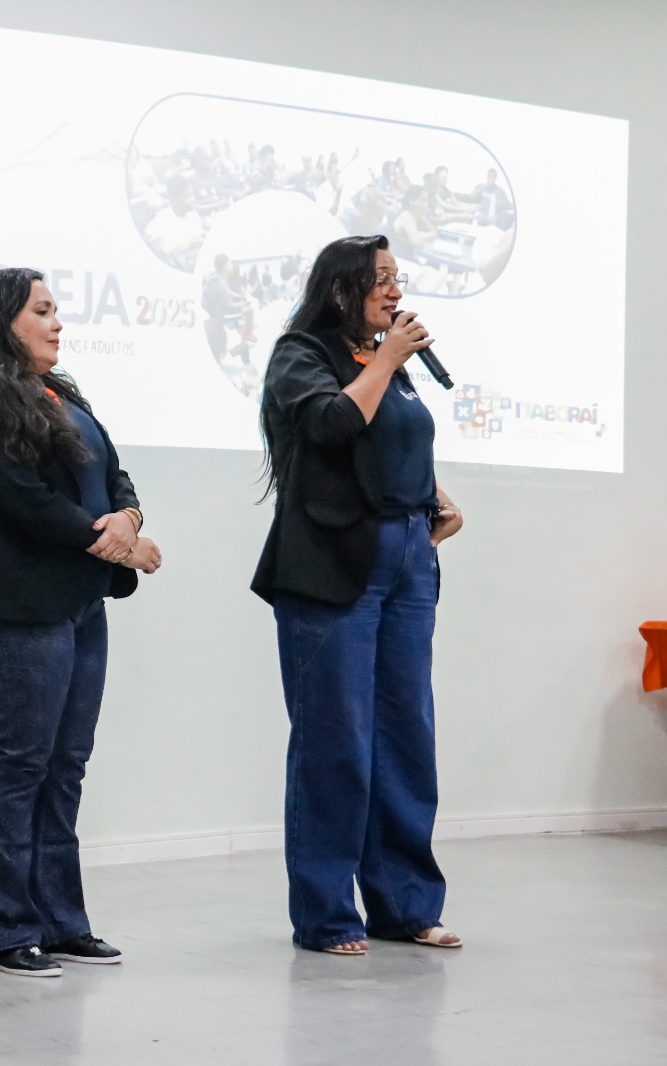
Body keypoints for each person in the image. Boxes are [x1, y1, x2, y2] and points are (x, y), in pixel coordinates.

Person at [0, 267, 160, 979]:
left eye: (56, 309)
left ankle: (61, 921)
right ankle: (1, 930)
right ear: (3, 321)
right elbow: (24, 499)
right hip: (14, 603)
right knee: (22, 762)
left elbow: (114, 475)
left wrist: (128, 518)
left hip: (80, 599)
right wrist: (113, 542)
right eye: (42, 310)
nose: (57, 322)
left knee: (65, 766)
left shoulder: (64, 394)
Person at [252, 234, 464, 956]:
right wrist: (388, 361)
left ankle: (405, 906)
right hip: (333, 564)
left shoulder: (386, 364)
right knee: (336, 742)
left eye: (398, 278)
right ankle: (327, 915)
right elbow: (332, 423)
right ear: (341, 287)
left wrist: (434, 498)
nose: (394, 291)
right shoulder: (302, 353)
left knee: (406, 738)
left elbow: (396, 442)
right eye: (380, 279)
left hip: (408, 561)